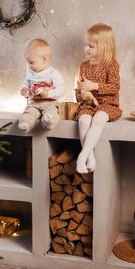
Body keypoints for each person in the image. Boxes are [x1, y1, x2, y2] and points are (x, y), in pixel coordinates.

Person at [75, 23, 122, 174]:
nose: (86, 49)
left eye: (91, 46)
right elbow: (77, 91)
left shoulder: (111, 65)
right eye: (85, 45)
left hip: (108, 104)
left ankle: (82, 156)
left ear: (104, 47)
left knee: (99, 118)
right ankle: (90, 156)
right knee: (83, 120)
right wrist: (82, 94)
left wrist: (95, 86)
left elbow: (115, 87)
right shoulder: (83, 66)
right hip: (89, 104)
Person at [18, 38, 64, 133]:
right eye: (28, 62)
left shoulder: (53, 74)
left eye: (31, 62)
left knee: (52, 112)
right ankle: (25, 124)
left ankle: (49, 121)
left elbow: (61, 90)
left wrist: (48, 93)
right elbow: (26, 84)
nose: (29, 65)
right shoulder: (30, 73)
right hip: (34, 104)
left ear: (44, 60)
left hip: (49, 103)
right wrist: (25, 91)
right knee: (28, 112)